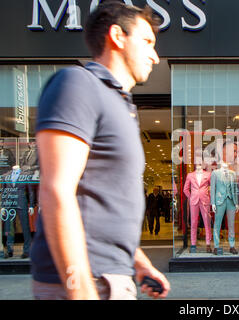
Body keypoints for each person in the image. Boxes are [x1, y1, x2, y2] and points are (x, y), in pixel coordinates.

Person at [30, 1, 170, 300]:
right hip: (87, 281)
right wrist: (78, 288)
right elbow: (56, 190)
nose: (155, 56)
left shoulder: (121, 104)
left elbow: (105, 202)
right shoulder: (77, 83)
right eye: (147, 42)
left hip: (114, 276)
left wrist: (140, 263)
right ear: (117, 36)